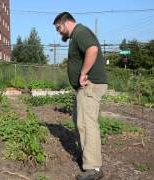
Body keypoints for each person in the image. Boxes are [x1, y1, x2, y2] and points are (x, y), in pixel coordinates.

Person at [53, 12, 108, 180]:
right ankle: (86, 159)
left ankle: (94, 168)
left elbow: (92, 49)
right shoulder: (76, 36)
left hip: (90, 85)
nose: (58, 32)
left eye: (59, 28)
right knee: (80, 123)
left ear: (67, 23)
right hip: (84, 88)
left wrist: (83, 73)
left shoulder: (81, 32)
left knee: (87, 123)